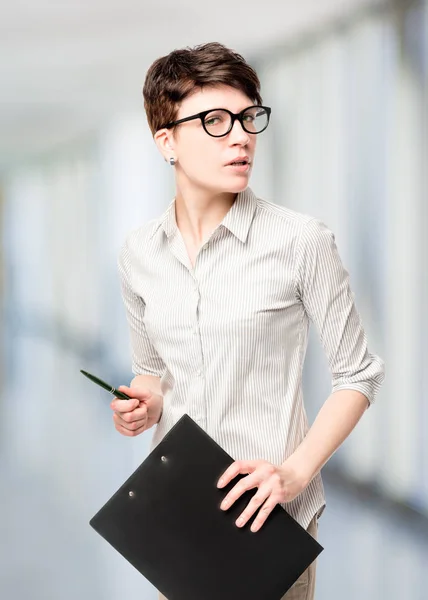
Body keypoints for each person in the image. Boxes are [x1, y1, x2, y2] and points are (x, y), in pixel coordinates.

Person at [110, 42, 385, 600]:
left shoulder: (301, 242)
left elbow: (359, 375)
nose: (241, 136)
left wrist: (295, 473)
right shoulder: (139, 253)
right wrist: (142, 404)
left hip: (270, 518)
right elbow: (152, 371)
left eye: (248, 117)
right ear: (167, 142)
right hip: (181, 511)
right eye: (214, 121)